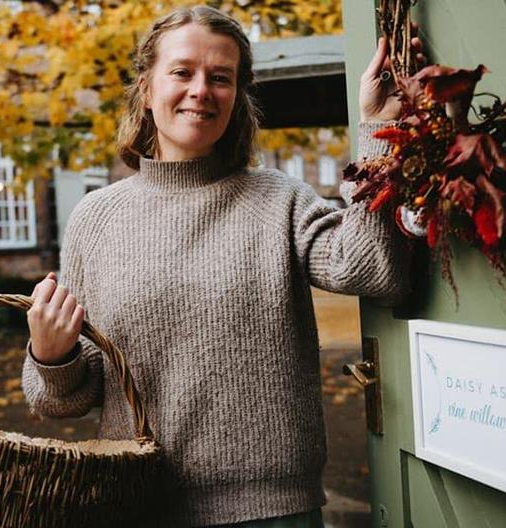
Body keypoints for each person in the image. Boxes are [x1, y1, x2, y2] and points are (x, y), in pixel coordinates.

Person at [22, 5, 415, 527]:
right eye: (182, 71)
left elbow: (375, 270)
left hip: (275, 512)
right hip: (140, 506)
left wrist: (379, 132)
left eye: (220, 77)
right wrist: (51, 355)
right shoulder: (96, 219)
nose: (201, 89)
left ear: (238, 96)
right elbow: (69, 399)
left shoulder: (280, 200)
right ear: (146, 87)